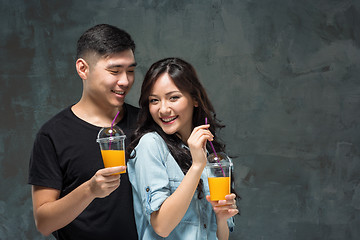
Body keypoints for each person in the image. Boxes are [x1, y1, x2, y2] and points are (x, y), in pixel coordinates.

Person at [28, 24, 139, 240]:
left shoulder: (146, 123)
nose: (125, 81)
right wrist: (90, 190)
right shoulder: (53, 135)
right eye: (114, 71)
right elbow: (44, 223)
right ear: (83, 69)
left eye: (131, 71)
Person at [126, 57, 239, 239]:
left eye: (174, 98)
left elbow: (221, 236)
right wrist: (196, 166)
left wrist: (221, 217)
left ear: (195, 99)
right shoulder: (150, 145)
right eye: (154, 100)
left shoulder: (214, 157)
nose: (163, 109)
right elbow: (161, 226)